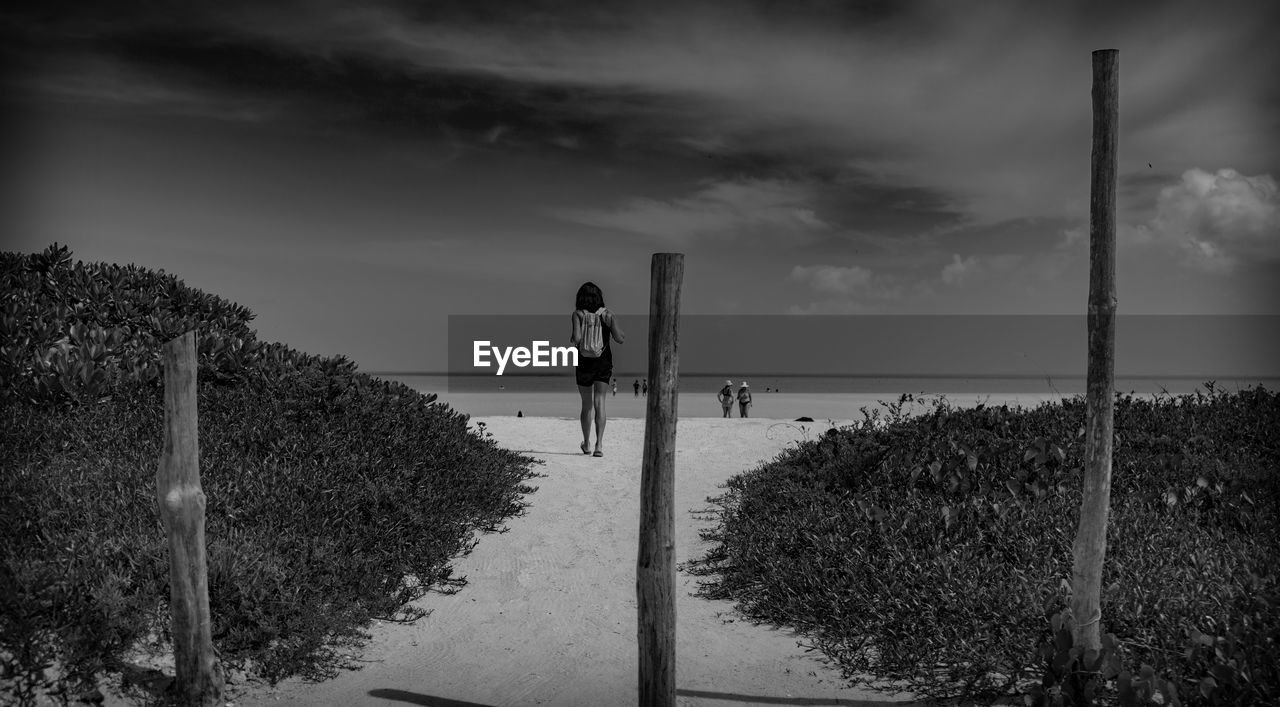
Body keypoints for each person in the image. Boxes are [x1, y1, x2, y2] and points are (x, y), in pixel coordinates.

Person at [570, 282, 625, 457]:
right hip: (603, 362)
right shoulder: (607, 314)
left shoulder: (578, 314)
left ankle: (586, 444)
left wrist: (575, 336)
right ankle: (599, 445)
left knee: (586, 406)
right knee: (600, 404)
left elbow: (577, 339)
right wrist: (612, 322)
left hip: (584, 363)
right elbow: (620, 339)